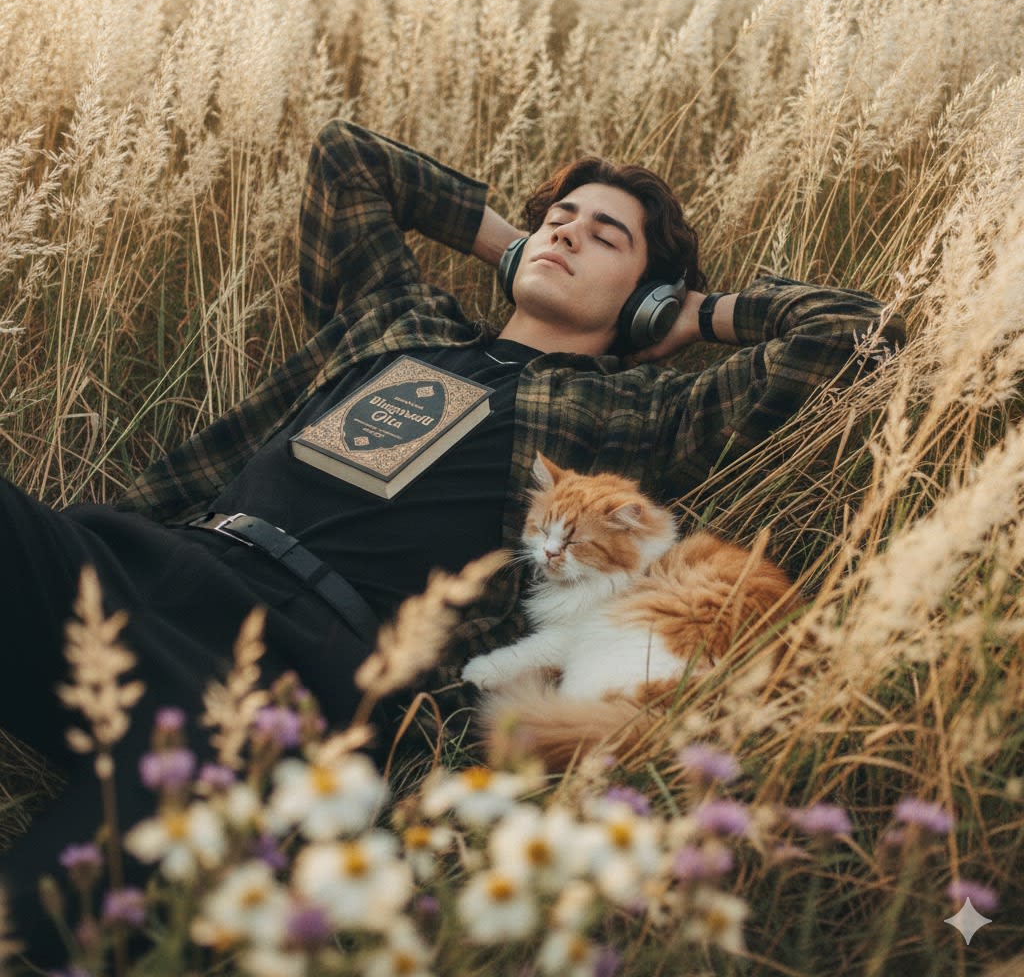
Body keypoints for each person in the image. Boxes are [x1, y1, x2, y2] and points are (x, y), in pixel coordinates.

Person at [0, 119, 905, 962]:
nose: (567, 235)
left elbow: (860, 336)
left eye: (606, 236)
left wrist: (697, 315)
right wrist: (510, 244)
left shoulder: (634, 412)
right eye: (560, 219)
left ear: (645, 298)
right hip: (146, 566)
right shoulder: (402, 320)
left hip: (302, 683)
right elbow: (350, 158)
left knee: (45, 920)